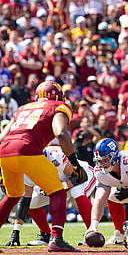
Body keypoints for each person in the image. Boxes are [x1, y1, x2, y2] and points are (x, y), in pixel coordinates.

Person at [0, 80, 87, 252]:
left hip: (5, 151)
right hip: (27, 148)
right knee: (57, 190)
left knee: (13, 195)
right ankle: (56, 238)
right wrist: (74, 163)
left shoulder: (23, 108)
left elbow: (3, 136)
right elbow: (61, 133)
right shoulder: (59, 106)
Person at [6, 146, 95, 247]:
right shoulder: (27, 167)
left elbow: (80, 176)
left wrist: (59, 187)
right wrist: (15, 231)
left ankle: (92, 233)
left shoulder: (56, 155)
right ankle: (46, 235)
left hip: (82, 177)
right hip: (58, 187)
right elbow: (25, 200)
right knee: (32, 202)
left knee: (76, 192)